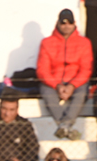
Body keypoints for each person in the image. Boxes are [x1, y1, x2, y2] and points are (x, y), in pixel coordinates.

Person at [36, 8, 93, 140]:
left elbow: (86, 69)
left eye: (69, 23)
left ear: (74, 23)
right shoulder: (47, 42)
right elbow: (42, 70)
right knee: (46, 92)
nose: (66, 26)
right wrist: (57, 85)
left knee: (81, 93)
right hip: (54, 82)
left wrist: (72, 85)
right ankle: (67, 127)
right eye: (63, 23)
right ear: (58, 23)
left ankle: (64, 126)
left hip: (76, 82)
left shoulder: (84, 42)